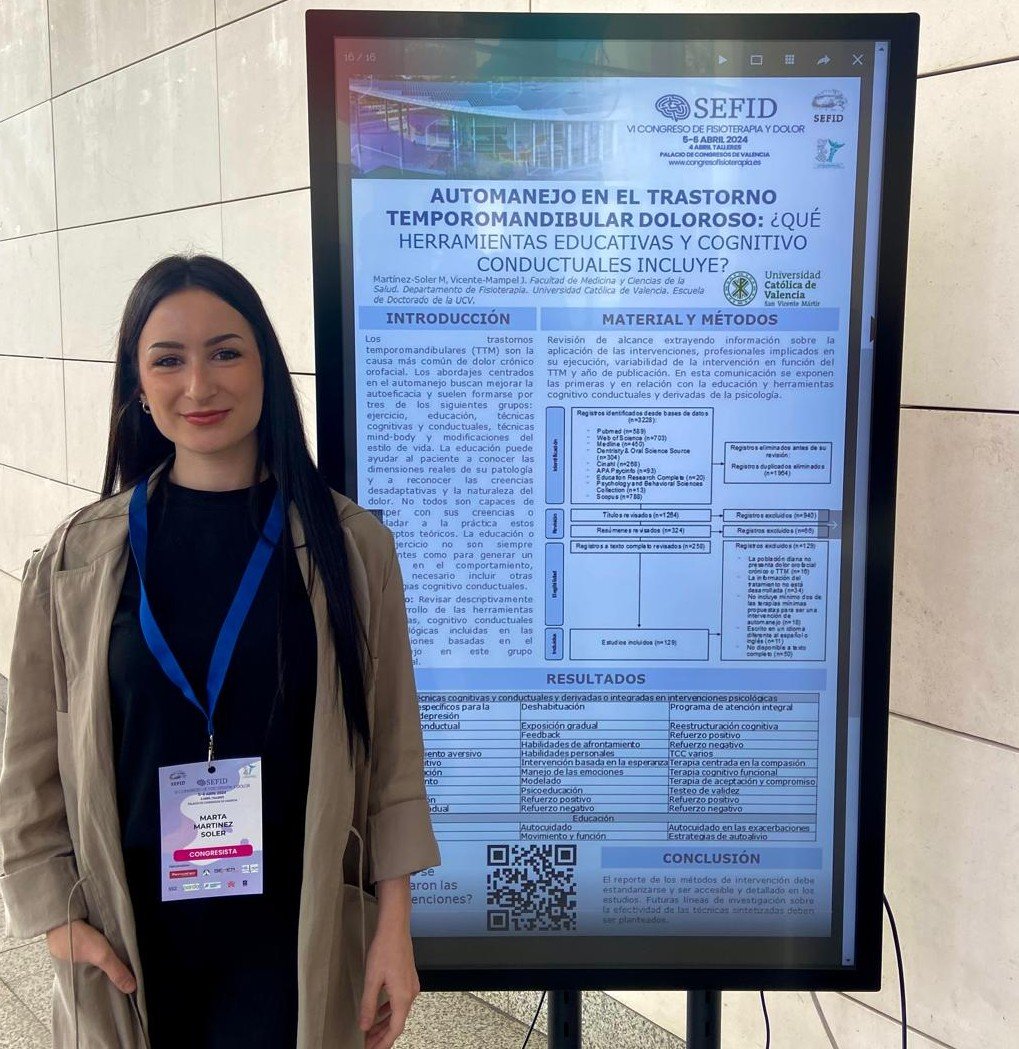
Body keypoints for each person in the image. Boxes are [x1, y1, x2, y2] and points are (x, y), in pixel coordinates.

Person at [0, 254, 440, 1048]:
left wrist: (393, 929)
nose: (198, 385)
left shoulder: (351, 547)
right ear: (137, 384)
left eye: (225, 351)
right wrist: (56, 923)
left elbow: (393, 755)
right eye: (167, 358)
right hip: (131, 953)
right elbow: (29, 773)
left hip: (293, 949)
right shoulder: (73, 561)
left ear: (266, 364)